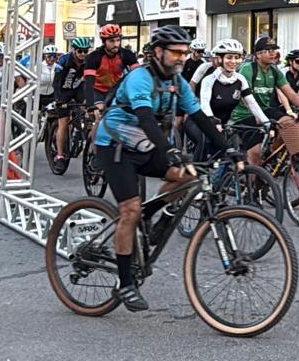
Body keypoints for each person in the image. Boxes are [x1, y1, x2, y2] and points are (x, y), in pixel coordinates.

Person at [92, 26, 220, 312]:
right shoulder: (139, 78)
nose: (182, 58)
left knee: (187, 177)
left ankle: (151, 215)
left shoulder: (178, 81)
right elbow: (146, 119)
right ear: (158, 52)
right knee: (129, 211)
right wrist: (171, 150)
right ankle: (125, 283)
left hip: (145, 145)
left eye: (185, 53)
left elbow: (198, 115)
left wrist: (226, 148)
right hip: (115, 145)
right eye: (176, 52)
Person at [228, 36, 299, 168]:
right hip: (244, 114)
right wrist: (260, 117)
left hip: (264, 109)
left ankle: (271, 154)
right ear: (258, 54)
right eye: (268, 50)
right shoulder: (248, 69)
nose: (273, 53)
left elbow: (291, 93)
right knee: (255, 156)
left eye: (274, 50)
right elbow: (244, 97)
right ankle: (253, 185)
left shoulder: (275, 71)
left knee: (289, 123)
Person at [190, 38, 252, 162]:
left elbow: (249, 100)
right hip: (199, 103)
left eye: (236, 58)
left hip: (221, 113)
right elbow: (192, 83)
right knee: (202, 139)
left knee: (226, 149)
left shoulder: (236, 76)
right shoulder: (205, 68)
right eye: (229, 57)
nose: (233, 62)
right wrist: (192, 101)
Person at [50, 37, 94, 174]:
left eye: (85, 51)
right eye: (80, 51)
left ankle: (81, 132)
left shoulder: (88, 61)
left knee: (90, 111)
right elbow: (56, 82)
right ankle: (60, 156)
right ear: (74, 50)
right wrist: (59, 100)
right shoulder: (64, 60)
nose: (82, 54)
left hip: (78, 89)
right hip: (63, 92)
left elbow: (90, 81)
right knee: (63, 122)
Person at [82, 24, 141, 114]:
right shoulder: (94, 57)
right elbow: (89, 82)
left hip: (115, 90)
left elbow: (138, 76)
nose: (116, 44)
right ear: (104, 42)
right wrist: (90, 106)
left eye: (118, 40)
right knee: (100, 114)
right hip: (97, 91)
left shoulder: (126, 54)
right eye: (111, 41)